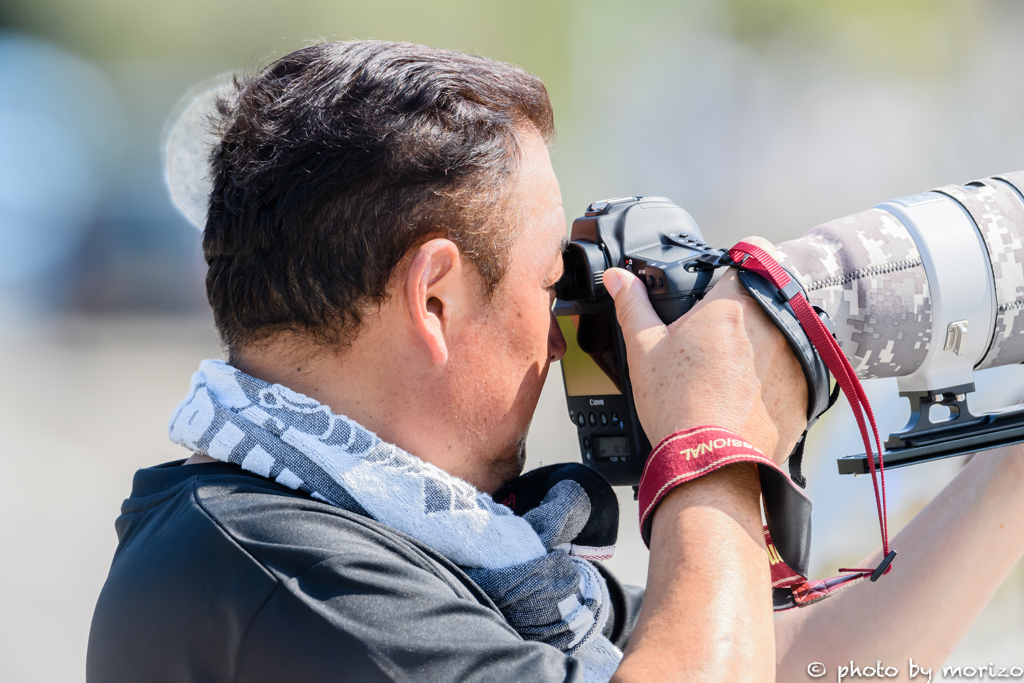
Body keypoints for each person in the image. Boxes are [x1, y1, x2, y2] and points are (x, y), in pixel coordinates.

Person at [87, 40, 1024, 682]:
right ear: (437, 299)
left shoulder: (416, 541)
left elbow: (777, 660)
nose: (564, 327)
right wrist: (713, 446)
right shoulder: (280, 578)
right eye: (550, 281)